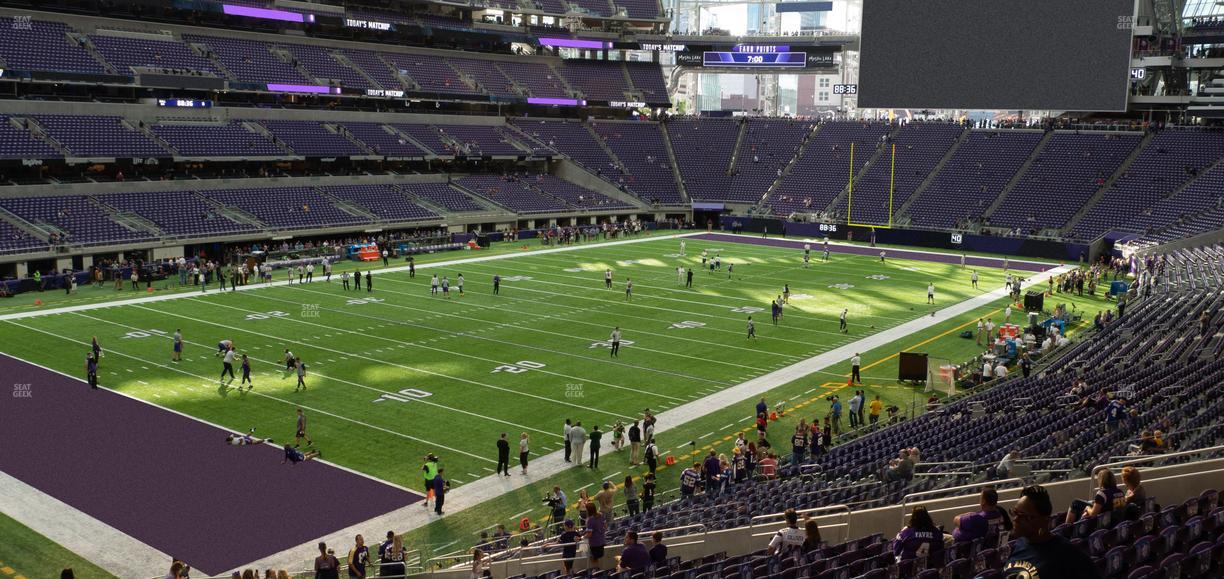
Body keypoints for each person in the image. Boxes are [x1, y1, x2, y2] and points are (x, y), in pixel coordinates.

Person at [1003, 485, 1100, 578]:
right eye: (1014, 512)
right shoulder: (1019, 544)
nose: (1015, 519)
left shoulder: (1066, 554)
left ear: (1044, 520)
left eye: (1023, 516)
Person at [583, 503, 607, 569]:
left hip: (594, 543)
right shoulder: (601, 515)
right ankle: (598, 570)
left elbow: (589, 534)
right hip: (601, 541)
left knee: (593, 558)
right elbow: (605, 526)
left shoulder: (590, 520)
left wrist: (582, 538)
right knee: (597, 558)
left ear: (588, 510)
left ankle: (597, 572)